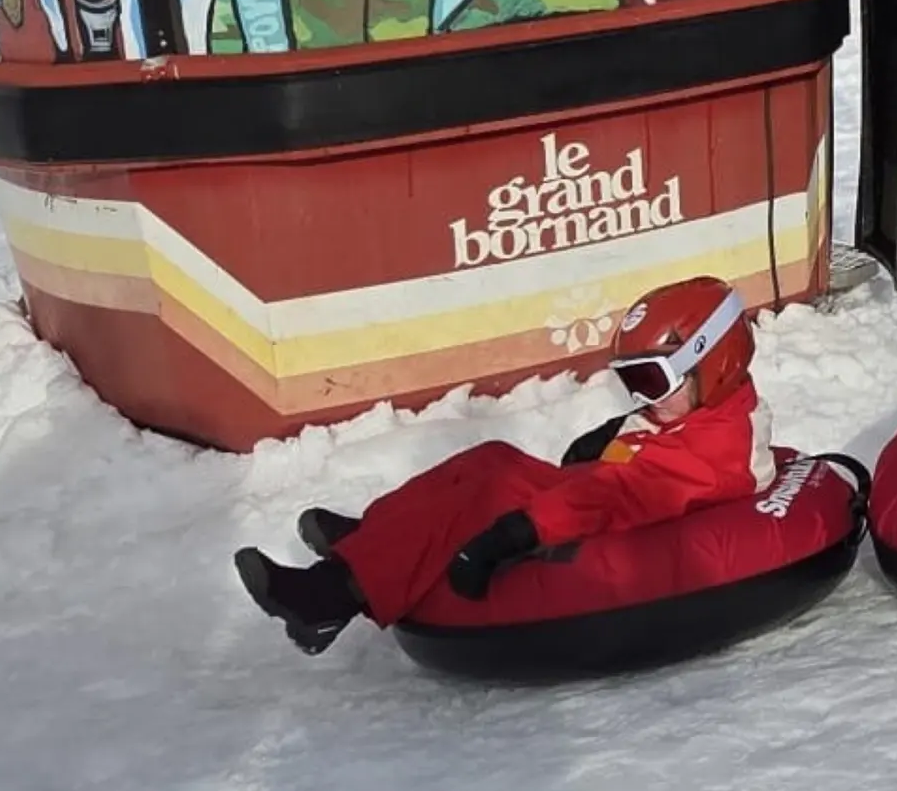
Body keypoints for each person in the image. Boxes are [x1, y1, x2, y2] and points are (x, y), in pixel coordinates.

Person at [234, 275, 777, 655]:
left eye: (652, 381)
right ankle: (377, 538)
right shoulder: (705, 410)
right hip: (599, 489)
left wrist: (516, 533)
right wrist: (619, 431)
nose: (643, 396)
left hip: (604, 520)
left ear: (715, 361)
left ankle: (327, 599)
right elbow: (653, 446)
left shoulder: (717, 452)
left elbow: (612, 497)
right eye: (632, 383)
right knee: (491, 459)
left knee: (489, 495)